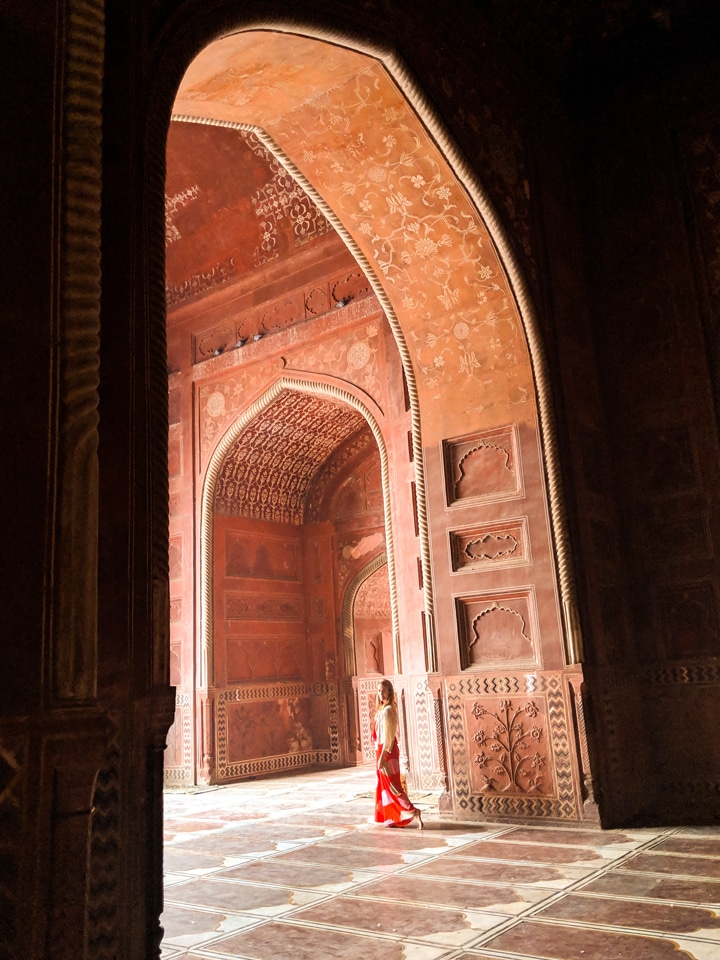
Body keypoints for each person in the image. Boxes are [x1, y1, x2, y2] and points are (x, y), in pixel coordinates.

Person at [372, 679, 423, 828]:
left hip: (386, 752)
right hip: (380, 750)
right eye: (379, 691)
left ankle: (412, 811)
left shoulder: (388, 711)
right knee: (385, 786)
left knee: (392, 785)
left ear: (389, 692)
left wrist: (383, 757)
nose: (381, 694)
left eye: (383, 691)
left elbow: (388, 737)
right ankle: (393, 817)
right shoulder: (381, 710)